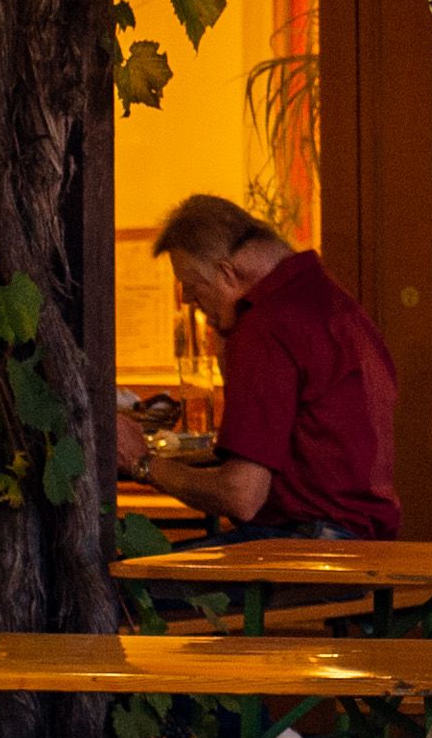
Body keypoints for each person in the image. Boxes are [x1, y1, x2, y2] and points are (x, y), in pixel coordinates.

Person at [113, 196, 400, 540]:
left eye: (193, 289)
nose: (190, 303)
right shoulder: (332, 302)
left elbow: (241, 495)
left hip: (307, 543)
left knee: (124, 588)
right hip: (364, 540)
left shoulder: (266, 324)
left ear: (227, 273)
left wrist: (142, 464)